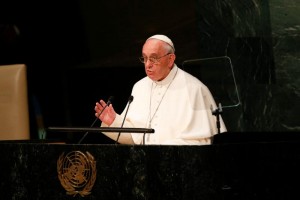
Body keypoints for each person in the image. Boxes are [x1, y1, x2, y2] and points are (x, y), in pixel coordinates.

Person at [94, 34, 227, 145]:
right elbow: (135, 138)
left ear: (170, 59)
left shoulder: (195, 89)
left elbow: (202, 141)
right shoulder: (139, 87)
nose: (148, 65)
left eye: (153, 58)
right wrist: (114, 122)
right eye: (144, 58)